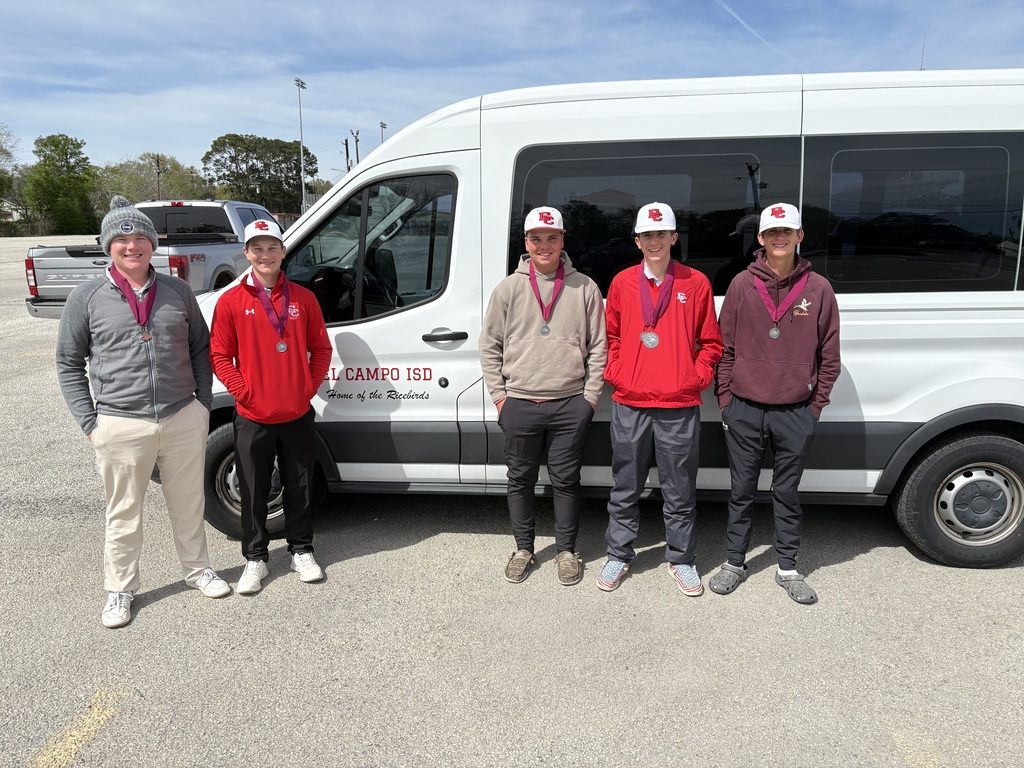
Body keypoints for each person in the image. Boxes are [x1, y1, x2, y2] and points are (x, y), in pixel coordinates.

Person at [56, 195, 231, 629]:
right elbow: (68, 361)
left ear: (152, 245)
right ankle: (120, 590)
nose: (131, 246)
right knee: (123, 511)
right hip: (119, 420)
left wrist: (203, 405)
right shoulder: (87, 297)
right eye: (121, 238)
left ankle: (197, 570)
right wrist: (90, 423)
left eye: (139, 238)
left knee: (188, 501)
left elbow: (200, 348)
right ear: (108, 246)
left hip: (180, 415)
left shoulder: (178, 291)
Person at [711, 203, 841, 604]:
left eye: (787, 231)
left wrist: (813, 407)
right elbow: (725, 348)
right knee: (742, 490)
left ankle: (788, 568)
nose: (779, 238)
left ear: (800, 236)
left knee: (787, 492)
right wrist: (727, 399)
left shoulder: (819, 289)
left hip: (795, 411)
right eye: (772, 233)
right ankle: (735, 561)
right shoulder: (740, 285)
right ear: (761, 240)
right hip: (745, 408)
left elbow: (829, 356)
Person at [597, 203, 723, 596]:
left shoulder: (695, 283)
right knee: (625, 485)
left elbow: (712, 343)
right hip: (630, 402)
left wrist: (694, 377)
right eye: (646, 235)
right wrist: (618, 373)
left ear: (673, 237)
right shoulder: (621, 283)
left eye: (661, 234)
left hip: (679, 404)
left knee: (679, 489)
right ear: (637, 240)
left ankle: (682, 559)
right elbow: (611, 338)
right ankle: (618, 553)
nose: (654, 242)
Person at [479, 206, 607, 586]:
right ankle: (523, 548)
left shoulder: (584, 286)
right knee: (520, 479)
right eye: (537, 238)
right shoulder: (508, 288)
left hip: (570, 402)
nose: (545, 245)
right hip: (519, 400)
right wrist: (501, 399)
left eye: (552, 237)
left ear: (563, 240)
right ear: (526, 243)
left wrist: (590, 398)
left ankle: (567, 551)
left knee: (566, 480)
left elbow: (599, 346)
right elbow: (489, 346)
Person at [210, 219, 334, 594]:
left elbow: (321, 349)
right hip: (252, 415)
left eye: (272, 248)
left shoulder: (303, 298)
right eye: (257, 248)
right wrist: (243, 392)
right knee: (253, 488)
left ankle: (301, 550)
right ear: (247, 254)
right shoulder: (231, 301)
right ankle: (255, 558)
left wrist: (307, 388)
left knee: (299, 485)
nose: (266, 255)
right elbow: (219, 355)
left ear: (283, 252)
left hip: (297, 412)